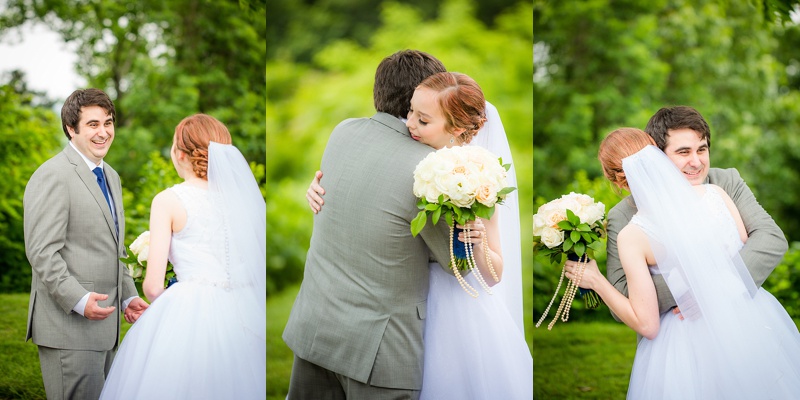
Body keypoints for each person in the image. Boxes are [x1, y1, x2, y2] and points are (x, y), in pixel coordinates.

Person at [305, 71, 532, 399]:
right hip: (403, 302)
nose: (409, 123)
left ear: (457, 129)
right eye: (410, 111)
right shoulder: (414, 162)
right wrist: (321, 189)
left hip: (455, 310)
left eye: (422, 120)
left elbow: (494, 275)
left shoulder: (479, 179)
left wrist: (478, 240)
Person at [565, 127, 800, 398]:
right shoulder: (715, 195)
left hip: (687, 339)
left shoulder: (633, 235)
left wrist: (596, 281)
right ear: (657, 155)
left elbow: (648, 325)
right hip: (752, 319)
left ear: (615, 180)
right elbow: (742, 248)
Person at [99, 114, 266, 398]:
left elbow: (152, 287)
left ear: (179, 154)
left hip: (188, 311)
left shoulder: (168, 200)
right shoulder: (243, 202)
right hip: (243, 310)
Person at [23, 88, 149, 400]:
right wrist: (79, 300)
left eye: (108, 123)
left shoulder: (112, 176)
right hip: (69, 329)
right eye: (93, 124)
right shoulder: (52, 175)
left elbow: (113, 248)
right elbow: (41, 252)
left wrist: (127, 298)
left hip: (108, 329)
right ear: (71, 128)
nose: (103, 132)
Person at [603, 106, 787, 319]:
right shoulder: (624, 214)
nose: (696, 162)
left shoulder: (726, 182)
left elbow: (770, 237)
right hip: (677, 327)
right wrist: (690, 289)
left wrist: (720, 290)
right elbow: (622, 297)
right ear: (657, 157)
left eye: (701, 149)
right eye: (683, 152)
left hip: (742, 312)